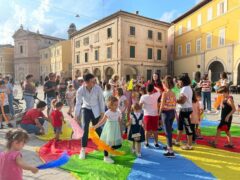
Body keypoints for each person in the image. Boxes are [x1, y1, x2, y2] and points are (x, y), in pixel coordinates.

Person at [75, 73, 105, 159]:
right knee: (85, 129)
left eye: (95, 81)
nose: (94, 83)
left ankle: (106, 148)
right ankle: (83, 149)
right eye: (92, 81)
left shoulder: (98, 88)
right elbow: (78, 103)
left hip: (96, 110)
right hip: (86, 109)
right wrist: (76, 115)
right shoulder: (80, 90)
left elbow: (101, 101)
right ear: (86, 82)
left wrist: (102, 113)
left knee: (98, 128)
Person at [93, 96, 122, 164]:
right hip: (109, 129)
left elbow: (119, 121)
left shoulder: (118, 112)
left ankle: (111, 151)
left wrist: (120, 131)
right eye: (115, 105)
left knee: (117, 144)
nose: (116, 106)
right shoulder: (108, 113)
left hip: (115, 130)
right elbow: (102, 121)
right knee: (107, 143)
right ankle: (106, 157)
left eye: (117, 104)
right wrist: (96, 126)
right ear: (110, 105)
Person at [175, 73, 193, 150]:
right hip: (184, 109)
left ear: (182, 81)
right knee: (180, 126)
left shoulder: (185, 89)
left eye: (178, 81)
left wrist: (174, 99)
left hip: (185, 110)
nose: (178, 82)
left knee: (187, 127)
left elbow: (182, 101)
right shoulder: (187, 87)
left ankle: (189, 144)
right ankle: (177, 141)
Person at [159, 75, 176, 157]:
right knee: (169, 130)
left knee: (167, 132)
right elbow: (174, 103)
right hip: (172, 112)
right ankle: (168, 146)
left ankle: (170, 150)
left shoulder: (164, 93)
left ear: (165, 84)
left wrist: (159, 114)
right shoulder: (173, 93)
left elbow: (162, 105)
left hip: (165, 113)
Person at [139, 83, 161, 148]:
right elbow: (160, 90)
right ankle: (156, 143)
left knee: (146, 130)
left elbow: (139, 106)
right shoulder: (156, 95)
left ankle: (146, 142)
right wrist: (155, 87)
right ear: (153, 90)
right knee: (155, 130)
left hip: (147, 115)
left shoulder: (143, 97)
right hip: (155, 115)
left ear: (146, 89)